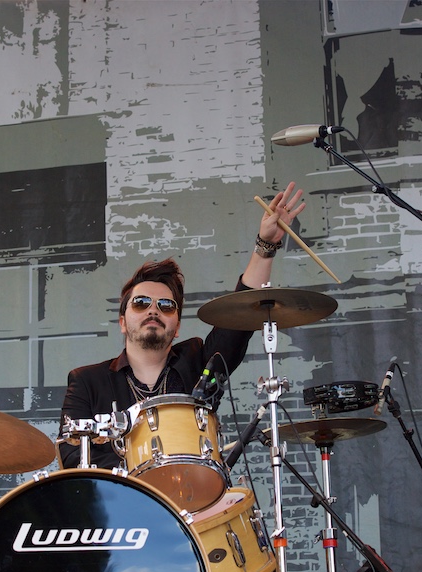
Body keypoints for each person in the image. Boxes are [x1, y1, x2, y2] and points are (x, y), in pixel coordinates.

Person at [59, 181, 305, 470]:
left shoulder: (198, 362)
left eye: (166, 306)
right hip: (122, 506)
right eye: (141, 303)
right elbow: (73, 457)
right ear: (123, 322)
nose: (153, 310)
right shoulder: (88, 381)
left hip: (194, 503)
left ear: (176, 327)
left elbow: (239, 320)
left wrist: (265, 247)